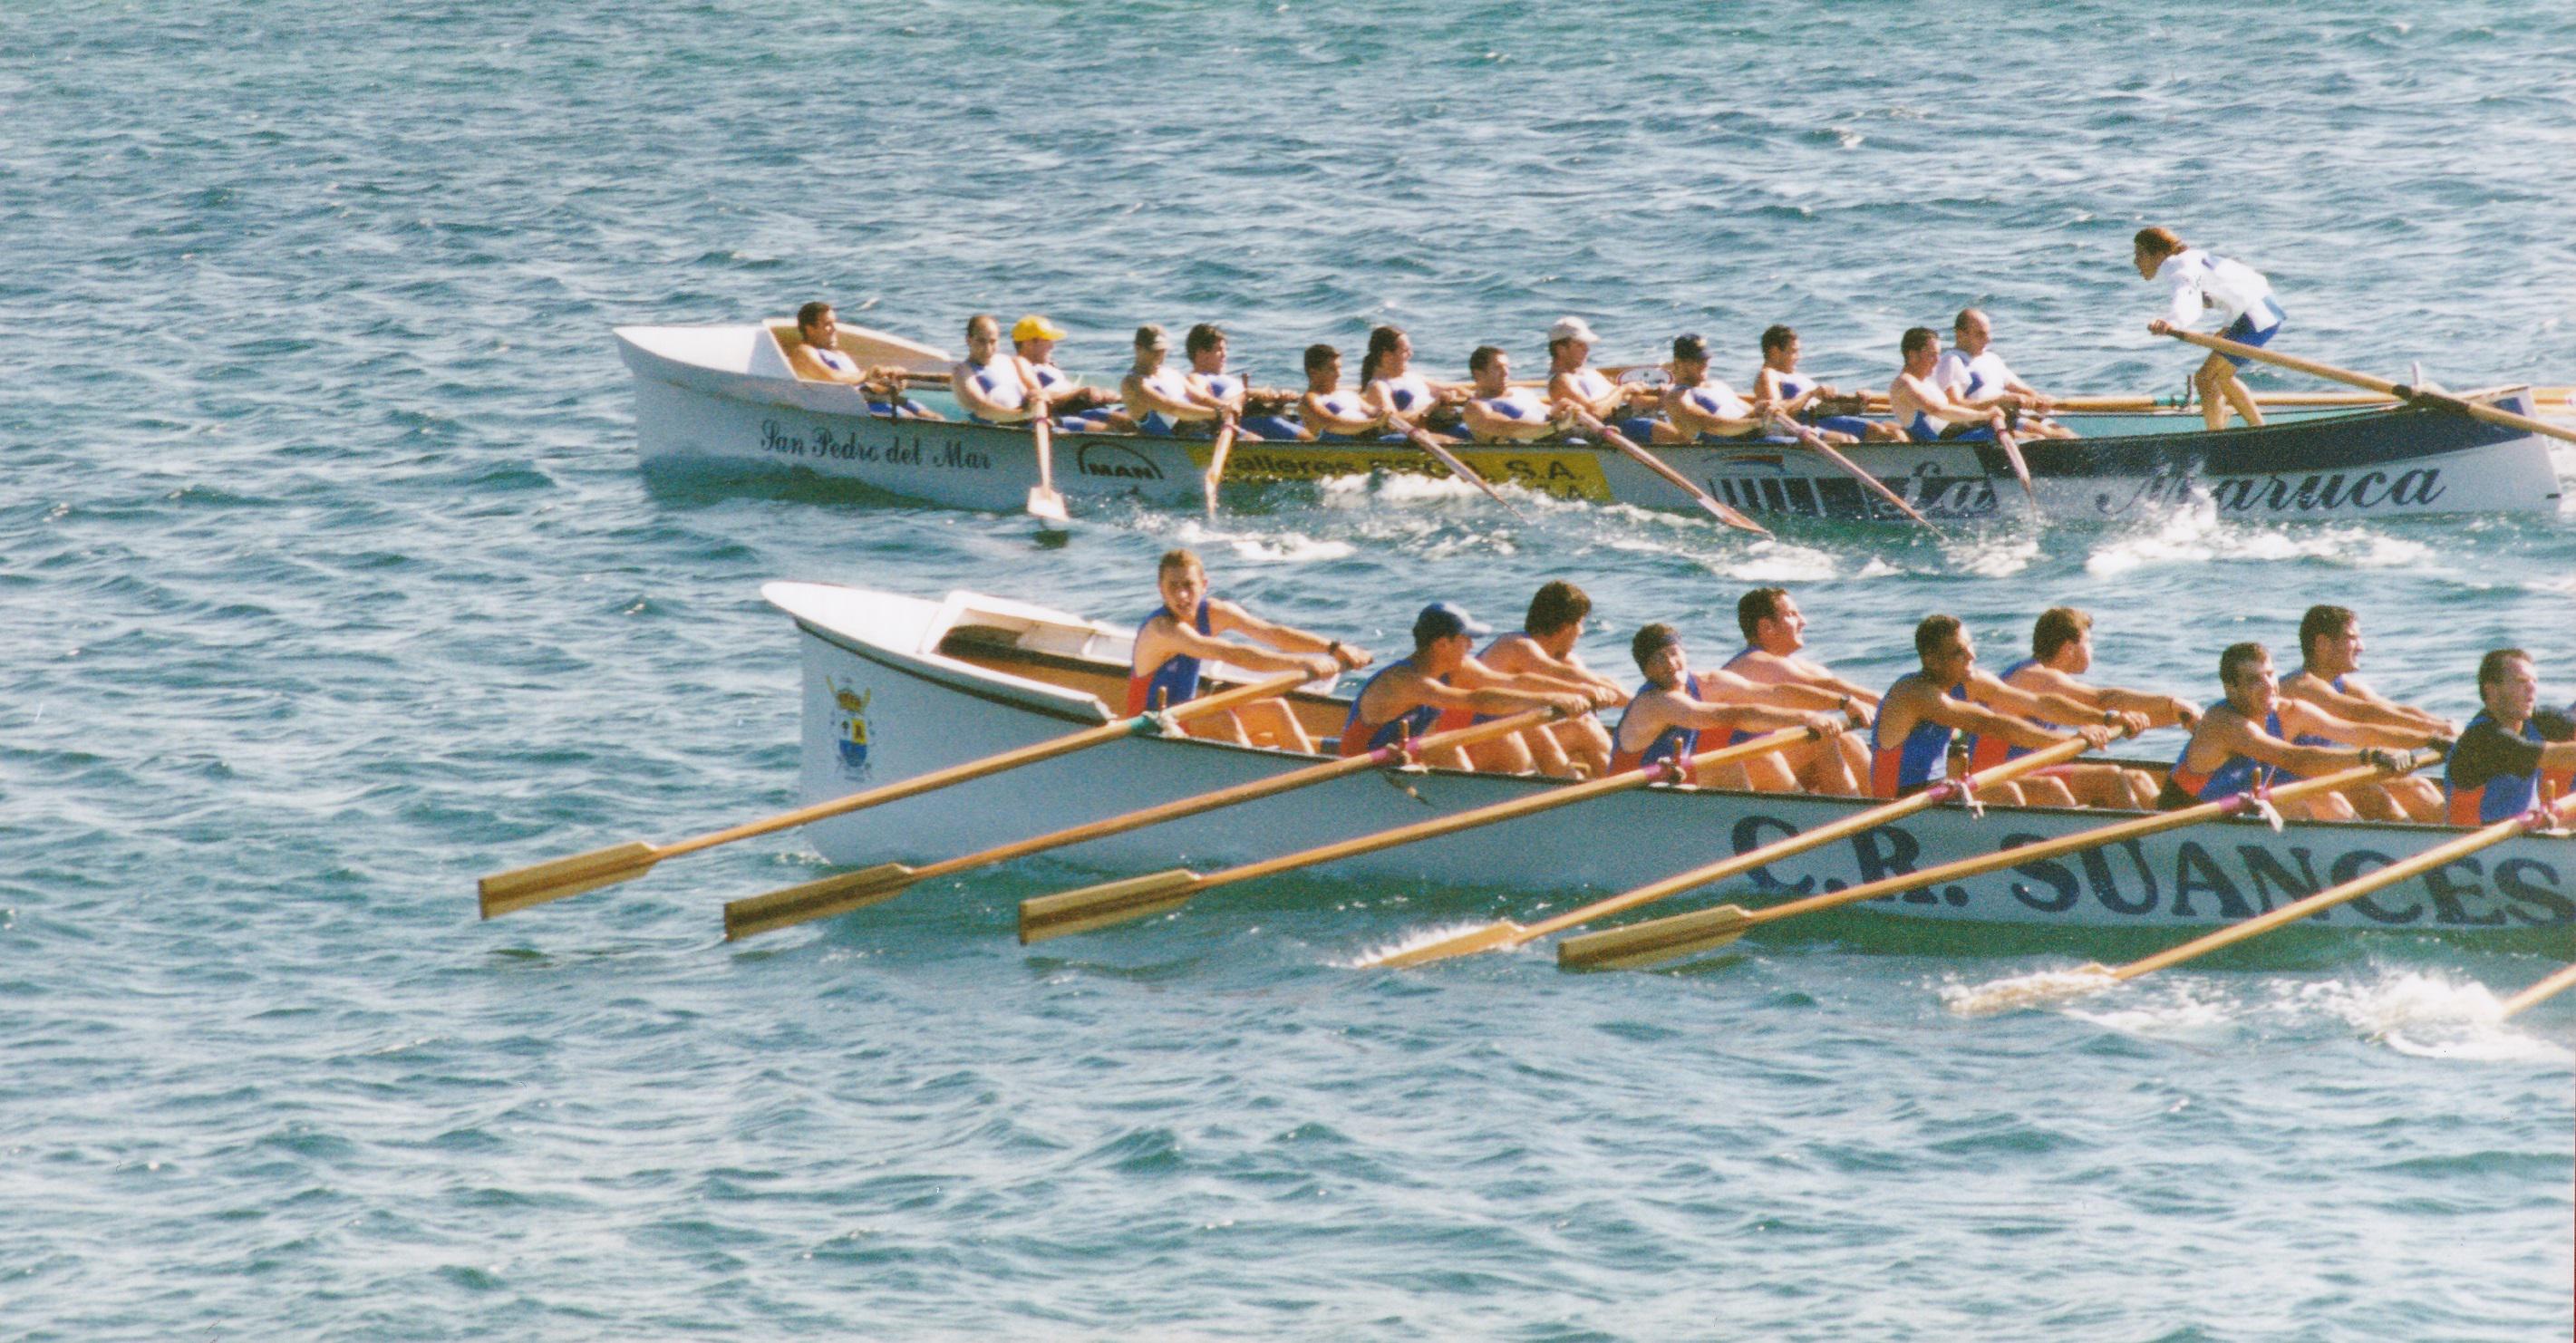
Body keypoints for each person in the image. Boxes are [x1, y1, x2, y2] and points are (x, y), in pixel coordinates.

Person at [1870, 615, 2131, 806]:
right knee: (2010, 792)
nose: (1971, 656)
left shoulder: (1970, 681)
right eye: (1959, 652)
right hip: (1899, 800)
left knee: (2055, 788)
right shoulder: (1914, 693)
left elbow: (2038, 704)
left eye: (1970, 646)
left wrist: (2106, 718)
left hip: (1938, 788)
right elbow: (1992, 724)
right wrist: (2069, 741)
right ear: (1932, 660)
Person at [1130, 549, 1368, 751]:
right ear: (1161, 589)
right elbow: (1231, 654)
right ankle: (1254, 779)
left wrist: (1333, 648)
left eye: (1188, 585)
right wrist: (1304, 663)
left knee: (1276, 709)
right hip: (1149, 727)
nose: (1182, 596)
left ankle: (1312, 779)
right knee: (1221, 718)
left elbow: (1272, 633)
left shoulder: (1214, 612)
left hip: (1183, 716)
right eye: (1173, 587)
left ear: (1204, 586)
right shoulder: (1163, 629)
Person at [1965, 607, 2200, 808]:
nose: (2092, 649)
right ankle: (2141, 840)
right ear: (2069, 648)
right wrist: (2172, 705)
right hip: (1996, 778)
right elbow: (2102, 700)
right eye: (2088, 642)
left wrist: (2178, 716)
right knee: (2109, 778)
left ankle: (2169, 832)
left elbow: (2108, 711)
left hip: (2026, 770)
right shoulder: (2035, 677)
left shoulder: (2044, 676)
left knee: (2138, 778)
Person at [2159, 643, 2414, 820]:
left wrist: (2429, 740)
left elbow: (2356, 732)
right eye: (2254, 680)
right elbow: (2296, 759)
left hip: (2239, 811)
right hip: (2185, 819)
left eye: (2270, 675)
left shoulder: (2287, 711)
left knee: (2363, 791)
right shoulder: (2224, 722)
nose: (2268, 685)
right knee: (2310, 802)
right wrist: (2370, 756)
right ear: (2230, 689)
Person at [1337, 603, 1595, 771]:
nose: (1472, 646)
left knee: (1464, 743)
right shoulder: (1403, 680)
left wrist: (1579, 692)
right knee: (1446, 747)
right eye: (1466, 639)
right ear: (1442, 644)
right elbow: (1476, 700)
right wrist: (1548, 701)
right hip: (1360, 769)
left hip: (1400, 759)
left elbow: (1513, 682)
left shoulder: (1455, 665)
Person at [1612, 623, 1851, 789]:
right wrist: (1806, 718)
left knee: (1827, 742)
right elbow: (1734, 715)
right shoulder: (1655, 702)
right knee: (1724, 766)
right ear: (1646, 671)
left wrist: (1844, 702)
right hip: (1629, 796)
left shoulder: (1707, 682)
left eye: (1673, 653)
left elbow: (1773, 693)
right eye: (1658, 658)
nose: (1670, 664)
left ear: (1684, 653)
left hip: (1668, 786)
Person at [2280, 605, 2455, 821]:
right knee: (2374, 796)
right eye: (2352, 638)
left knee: (2417, 787)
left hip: (2316, 778)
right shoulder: (2300, 686)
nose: (2361, 647)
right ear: (2322, 643)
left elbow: (2393, 710)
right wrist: (2434, 734)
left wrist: (2446, 727)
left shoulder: (2342, 684)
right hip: (2281, 786)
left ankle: (2450, 834)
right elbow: (2363, 714)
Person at [1438, 582, 1630, 777]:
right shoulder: (1516, 645)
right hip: (1464, 743)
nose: (1582, 631)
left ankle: (1618, 784)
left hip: (1502, 740)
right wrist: (1591, 691)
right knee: (1534, 731)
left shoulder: (1565, 659)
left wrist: (1636, 702)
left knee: (1584, 725)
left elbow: (1594, 680)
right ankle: (1569, 783)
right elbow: (1555, 675)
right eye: (1580, 623)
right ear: (1565, 627)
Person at [1720, 587, 1880, 795]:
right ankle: (1855, 807)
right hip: (1735, 767)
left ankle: (1878, 801)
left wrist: (1884, 703)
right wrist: (1851, 703)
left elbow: (1830, 682)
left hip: (1765, 758)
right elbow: (1819, 686)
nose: (1803, 621)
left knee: (1847, 740)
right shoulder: (1753, 662)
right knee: (1826, 740)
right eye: (1792, 614)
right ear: (1767, 627)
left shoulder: (1786, 663)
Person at [2135, 226, 2285, 431]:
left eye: (2140, 254)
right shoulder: (2191, 259)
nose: (2135, 262)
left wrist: (2172, 322)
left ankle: (2218, 435)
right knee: (2221, 377)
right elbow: (2240, 286)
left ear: (2159, 254)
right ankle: (2256, 429)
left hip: (2257, 315)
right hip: (2260, 310)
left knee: (2206, 378)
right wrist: (2228, 326)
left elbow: (2188, 300)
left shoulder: (2175, 265)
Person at [2444, 649, 2576, 826]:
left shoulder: (2537, 720)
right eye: (2521, 681)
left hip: (2523, 829)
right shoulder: (2483, 738)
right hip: (2477, 835)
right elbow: (2556, 756)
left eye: (2534, 681)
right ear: (2492, 691)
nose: (2532, 688)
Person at [1933, 309, 2077, 439]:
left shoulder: (1992, 359)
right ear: (1960, 335)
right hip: (1984, 423)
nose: (1988, 340)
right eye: (1980, 334)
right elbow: (1955, 405)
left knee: (2066, 435)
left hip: (2011, 415)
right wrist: (2000, 401)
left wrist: (2041, 400)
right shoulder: (1952, 361)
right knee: (2047, 437)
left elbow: (2026, 392)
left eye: (1988, 333)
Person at [784, 302, 940, 418]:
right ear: (810, 329)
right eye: (827, 325)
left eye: (834, 323)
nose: (834, 329)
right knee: (907, 417)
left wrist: (891, 384)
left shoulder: (840, 355)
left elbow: (862, 387)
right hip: (843, 407)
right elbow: (831, 378)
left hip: (866, 400)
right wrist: (867, 374)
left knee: (931, 416)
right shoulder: (803, 352)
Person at [1750, 324, 1898, 442]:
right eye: (1793, 352)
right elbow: (1774, 413)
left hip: (1823, 416)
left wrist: (1857, 400)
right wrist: (1811, 394)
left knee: (1894, 429)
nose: (1798, 357)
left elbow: (1824, 407)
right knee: (1879, 431)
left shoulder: (1796, 375)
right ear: (1775, 352)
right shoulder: (1768, 375)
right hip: (1806, 423)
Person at [1011, 314, 1134, 432]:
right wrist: (1078, 393)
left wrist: (1102, 395)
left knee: (1132, 413)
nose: (1052, 346)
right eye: (1047, 340)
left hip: (1081, 408)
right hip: (1063, 415)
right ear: (1029, 343)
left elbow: (1069, 391)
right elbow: (1040, 399)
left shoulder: (1048, 367)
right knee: (1120, 421)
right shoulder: (1022, 368)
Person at [1888, 328, 2012, 443]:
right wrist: (1984, 415)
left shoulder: (1924, 382)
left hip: (1954, 435)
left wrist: (1986, 414)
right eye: (1931, 355)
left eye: (1938, 354)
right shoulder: (1904, 384)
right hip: (1943, 446)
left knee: (2009, 414)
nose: (1937, 360)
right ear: (1913, 355)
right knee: (2006, 430)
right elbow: (1938, 410)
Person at [1658, 333, 1776, 444]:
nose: (1705, 364)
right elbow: (1710, 425)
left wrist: (1760, 411)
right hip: (1734, 446)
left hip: (1754, 435)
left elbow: (1747, 415)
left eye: (1706, 358)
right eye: (1698, 360)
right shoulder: (1677, 398)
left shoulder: (1717, 386)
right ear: (1679, 362)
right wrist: (1757, 423)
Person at [1121, 325, 1235, 439]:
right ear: (1137, 348)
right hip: (1176, 440)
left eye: (1162, 350)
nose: (1159, 355)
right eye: (1154, 350)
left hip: (1201, 429)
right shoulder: (1133, 384)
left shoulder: (1171, 373)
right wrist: (1217, 413)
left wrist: (1225, 407)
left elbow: (1202, 398)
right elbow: (1173, 408)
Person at [1544, 316, 1656, 426]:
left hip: (1626, 418)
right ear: (1561, 350)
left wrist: (1659, 398)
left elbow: (1627, 400)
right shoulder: (1560, 381)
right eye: (1580, 345)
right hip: (1607, 428)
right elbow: (1594, 413)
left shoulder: (1589, 373)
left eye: (1586, 344)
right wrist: (1623, 390)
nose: (1587, 349)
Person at [1359, 325, 1467, 429]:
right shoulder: (1378, 387)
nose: (1411, 354)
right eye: (1405, 351)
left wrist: (1472, 393)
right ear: (1387, 355)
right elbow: (1392, 422)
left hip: (1444, 423)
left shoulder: (1411, 376)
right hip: (1424, 432)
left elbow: (1448, 388)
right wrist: (1432, 407)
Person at [948, 314, 1046, 426]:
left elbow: (1035, 392)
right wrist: (1024, 415)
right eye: (981, 341)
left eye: (992, 341)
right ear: (968, 340)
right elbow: (981, 409)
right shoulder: (962, 373)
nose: (987, 349)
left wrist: (1036, 398)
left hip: (1030, 424)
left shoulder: (1010, 362)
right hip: (999, 430)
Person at [1301, 344, 1408, 443]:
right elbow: (1331, 424)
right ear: (1313, 373)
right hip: (1341, 444)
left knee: (1408, 437)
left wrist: (1384, 414)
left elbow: (1374, 412)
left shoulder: (1348, 394)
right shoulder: (1310, 398)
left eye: (1339, 368)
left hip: (1369, 440)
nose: (1339, 374)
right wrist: (1374, 423)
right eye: (1331, 369)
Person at [1458, 346, 1561, 444]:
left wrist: (1562, 410)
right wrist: (1557, 426)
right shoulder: (1475, 408)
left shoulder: (1520, 392)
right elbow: (1509, 428)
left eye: (1507, 367)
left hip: (1557, 434)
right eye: (1498, 368)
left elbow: (1549, 412)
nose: (1505, 372)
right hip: (1539, 445)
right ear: (1479, 374)